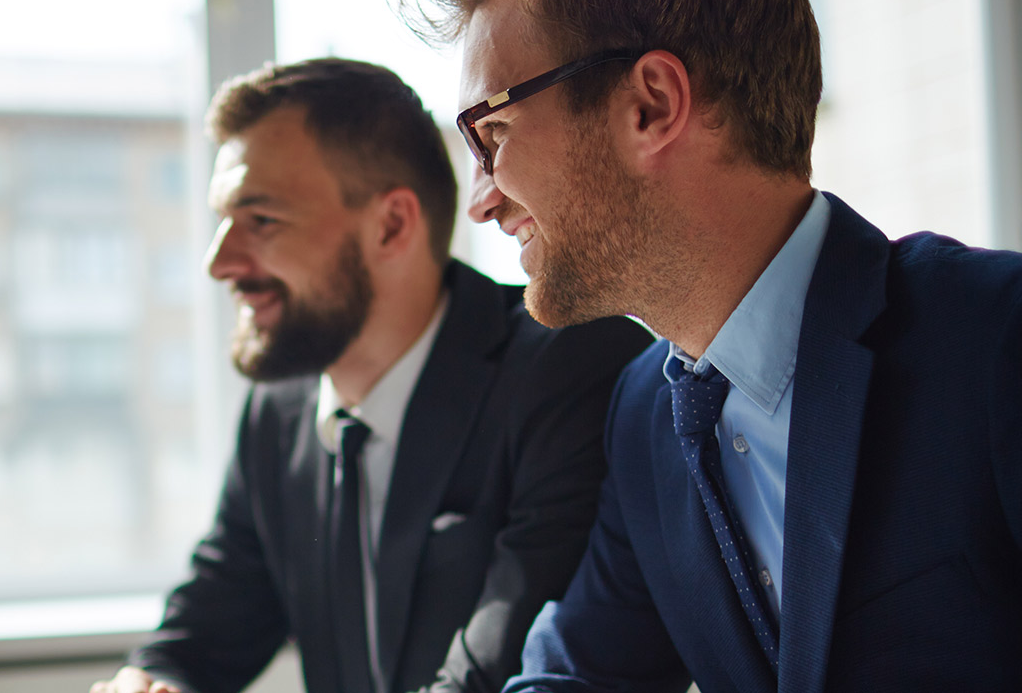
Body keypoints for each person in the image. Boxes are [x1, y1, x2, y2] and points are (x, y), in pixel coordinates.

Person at [411, 0, 1022, 693]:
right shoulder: (644, 418)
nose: (480, 200)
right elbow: (575, 676)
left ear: (651, 104)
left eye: (492, 134)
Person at [89, 58, 652, 693]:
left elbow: (504, 672)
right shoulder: (278, 410)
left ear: (391, 225)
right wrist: (153, 681)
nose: (219, 263)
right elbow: (210, 621)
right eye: (223, 220)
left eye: (262, 221)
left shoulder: (569, 372)